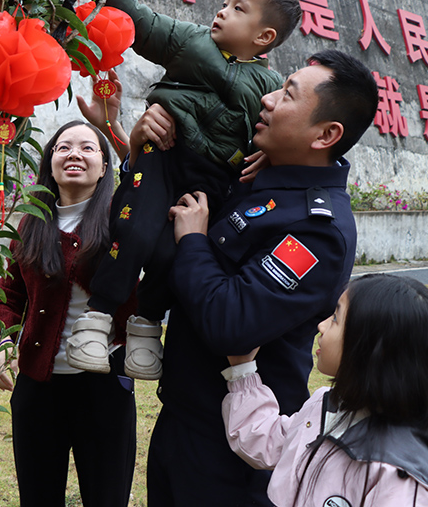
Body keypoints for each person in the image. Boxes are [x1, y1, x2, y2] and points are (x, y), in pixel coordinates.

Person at [151, 49, 380, 506]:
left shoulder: (318, 230)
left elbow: (232, 323)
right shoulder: (262, 175)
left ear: (326, 134)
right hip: (183, 418)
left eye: (287, 94)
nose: (268, 100)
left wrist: (193, 242)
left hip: (233, 451)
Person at [67, 0, 302, 380]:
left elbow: (282, 131)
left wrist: (269, 153)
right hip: (162, 155)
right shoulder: (190, 40)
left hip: (211, 179)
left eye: (237, 8)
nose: (222, 10)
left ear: (264, 36)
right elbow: (139, 20)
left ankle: (146, 326)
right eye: (226, 2)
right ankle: (97, 317)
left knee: (170, 252)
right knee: (134, 230)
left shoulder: (270, 87)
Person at [222, 274, 428, 507]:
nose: (321, 326)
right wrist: (243, 372)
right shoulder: (327, 406)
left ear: (372, 351)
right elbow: (271, 441)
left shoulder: (401, 474)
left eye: (335, 319)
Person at [0, 120, 137, 507]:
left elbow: (142, 181)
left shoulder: (122, 220)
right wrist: (3, 339)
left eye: (88, 148)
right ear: (49, 162)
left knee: (106, 495)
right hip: (39, 384)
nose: (74, 154)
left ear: (105, 166)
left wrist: (117, 127)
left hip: (103, 383)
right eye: (63, 147)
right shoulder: (31, 222)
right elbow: (9, 292)